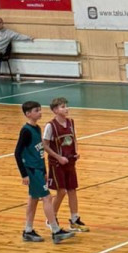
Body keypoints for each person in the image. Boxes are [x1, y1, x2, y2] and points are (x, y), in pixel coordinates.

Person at [14, 101, 76, 245]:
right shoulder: (26, 131)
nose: (40, 112)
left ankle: (28, 230)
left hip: (38, 169)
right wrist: (24, 174)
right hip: (31, 169)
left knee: (33, 199)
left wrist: (43, 170)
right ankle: (55, 230)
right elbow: (17, 153)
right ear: (28, 114)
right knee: (47, 198)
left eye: (40, 110)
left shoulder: (37, 128)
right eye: (36, 110)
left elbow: (40, 152)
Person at [42, 97, 88, 232]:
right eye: (63, 107)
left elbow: (74, 139)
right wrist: (58, 157)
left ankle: (74, 219)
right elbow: (45, 145)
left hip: (70, 162)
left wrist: (76, 152)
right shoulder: (50, 126)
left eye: (66, 106)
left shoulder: (71, 122)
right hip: (57, 163)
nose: (66, 108)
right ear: (55, 110)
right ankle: (51, 218)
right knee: (61, 191)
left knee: (72, 190)